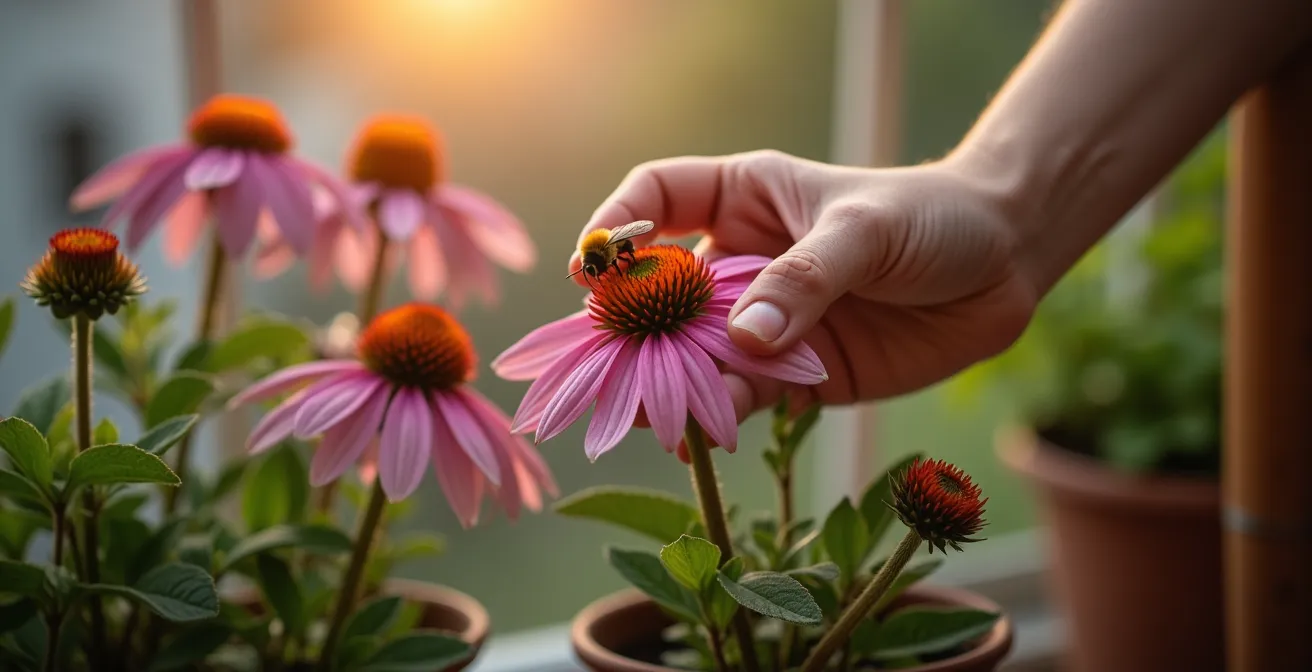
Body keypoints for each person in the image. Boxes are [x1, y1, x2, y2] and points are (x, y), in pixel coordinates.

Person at [569, 0, 1312, 422]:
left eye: (610, 260)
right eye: (610, 267)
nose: (612, 267)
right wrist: (1005, 213)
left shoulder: (675, 268)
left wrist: (1008, 209)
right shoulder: (653, 272)